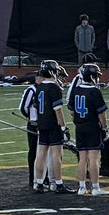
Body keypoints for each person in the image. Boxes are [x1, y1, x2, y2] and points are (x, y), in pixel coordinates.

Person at [68, 61, 109, 195]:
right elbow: (101, 113)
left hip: (80, 126)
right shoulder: (94, 91)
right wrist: (105, 128)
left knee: (82, 158)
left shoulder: (77, 89)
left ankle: (81, 187)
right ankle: (96, 187)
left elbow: (71, 109)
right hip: (92, 126)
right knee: (93, 158)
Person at [32, 60, 72, 194]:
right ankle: (58, 183)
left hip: (42, 123)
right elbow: (58, 111)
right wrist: (63, 127)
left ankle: (38, 183)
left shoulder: (39, 87)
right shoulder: (54, 88)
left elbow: (37, 108)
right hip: (53, 124)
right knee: (57, 154)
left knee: (41, 154)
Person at [18, 71, 41, 187]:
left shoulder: (45, 88)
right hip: (33, 124)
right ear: (37, 77)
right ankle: (32, 177)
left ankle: (43, 177)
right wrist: (31, 118)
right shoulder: (31, 90)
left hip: (43, 123)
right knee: (33, 150)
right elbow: (23, 107)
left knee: (43, 151)